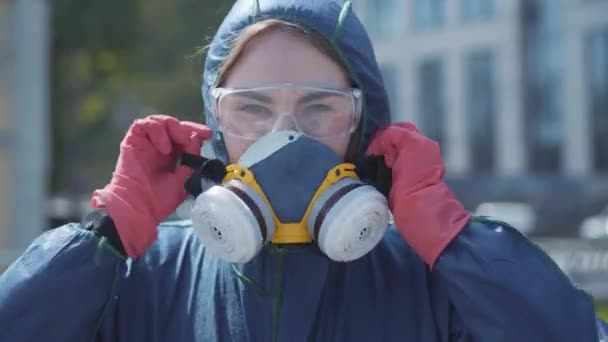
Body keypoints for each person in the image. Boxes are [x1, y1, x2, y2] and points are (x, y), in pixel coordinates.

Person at [0, 0, 606, 341]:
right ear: (213, 124)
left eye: (319, 109)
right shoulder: (144, 279)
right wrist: (102, 238)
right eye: (252, 109)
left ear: (365, 128)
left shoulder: (438, 285)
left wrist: (454, 242)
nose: (283, 138)